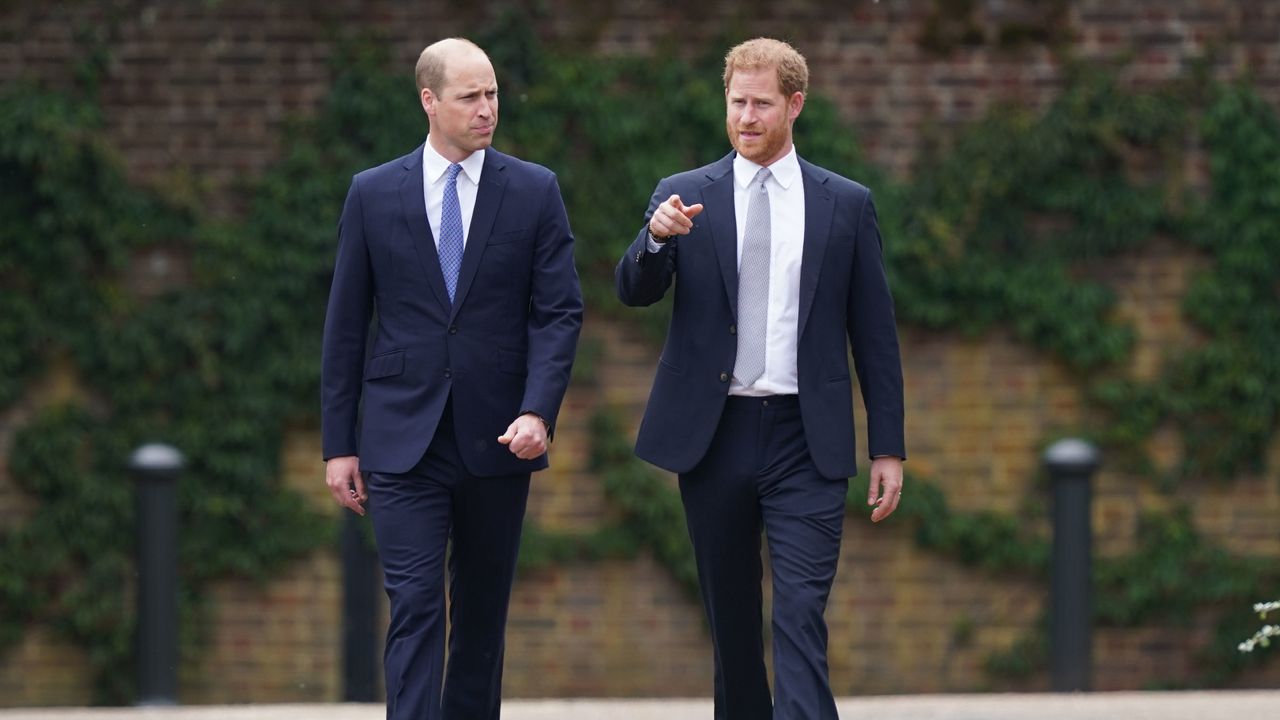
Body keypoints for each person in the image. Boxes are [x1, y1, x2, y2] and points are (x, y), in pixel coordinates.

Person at [615, 37, 905, 719]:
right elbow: (633, 289)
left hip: (808, 436)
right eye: (736, 103)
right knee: (734, 624)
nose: (746, 117)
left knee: (800, 613)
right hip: (714, 437)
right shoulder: (683, 195)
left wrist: (887, 447)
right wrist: (655, 239)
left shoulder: (846, 204)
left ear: (794, 105)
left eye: (761, 104)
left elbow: (876, 335)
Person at [321, 37, 582, 719]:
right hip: (401, 439)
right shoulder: (373, 194)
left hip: (500, 438)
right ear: (429, 101)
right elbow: (346, 326)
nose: (488, 108)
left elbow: (559, 313)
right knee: (413, 606)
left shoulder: (534, 190)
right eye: (471, 96)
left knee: (481, 618)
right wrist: (337, 445)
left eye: (493, 93)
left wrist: (538, 411)